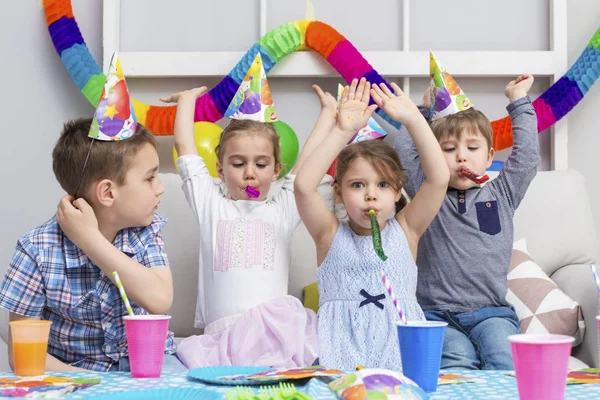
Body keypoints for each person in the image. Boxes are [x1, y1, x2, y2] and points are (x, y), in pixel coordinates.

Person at [162, 85, 333, 367]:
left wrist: (327, 115)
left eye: (261, 164)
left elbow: (307, 166)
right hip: (222, 341)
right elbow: (186, 153)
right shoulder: (210, 205)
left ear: (277, 170)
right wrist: (187, 102)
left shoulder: (284, 209)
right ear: (220, 168)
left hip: (275, 334)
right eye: (238, 163)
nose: (250, 173)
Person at [0, 118, 182, 372]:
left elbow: (160, 299)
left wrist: (90, 241)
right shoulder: (36, 249)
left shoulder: (145, 231)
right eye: (150, 177)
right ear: (108, 193)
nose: (160, 188)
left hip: (151, 364)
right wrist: (99, 385)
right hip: (77, 373)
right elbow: (22, 357)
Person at [294, 78, 449, 370]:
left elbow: (439, 178)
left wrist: (415, 119)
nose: (370, 195)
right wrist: (342, 131)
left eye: (382, 185)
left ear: (397, 191)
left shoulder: (407, 230)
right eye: (357, 185)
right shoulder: (328, 234)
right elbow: (303, 186)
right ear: (338, 193)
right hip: (341, 349)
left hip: (401, 348)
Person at [394, 73, 538, 370]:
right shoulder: (427, 192)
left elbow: (527, 158)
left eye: (472, 149)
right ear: (431, 156)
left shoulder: (503, 192)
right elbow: (404, 153)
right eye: (448, 150)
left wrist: (519, 100)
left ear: (489, 156)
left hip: (492, 314)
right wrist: (419, 113)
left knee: (506, 362)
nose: (461, 158)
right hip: (435, 316)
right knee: (456, 364)